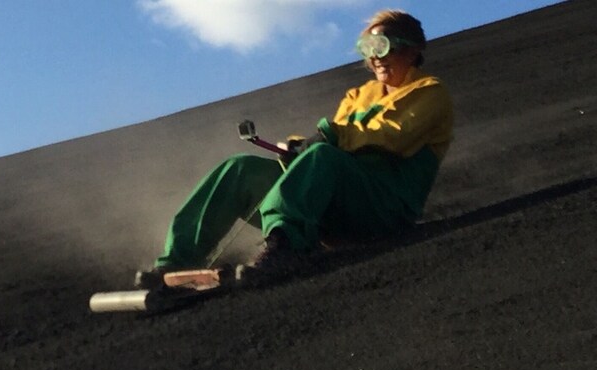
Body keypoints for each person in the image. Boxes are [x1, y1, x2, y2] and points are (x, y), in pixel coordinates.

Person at [146, 9, 454, 283]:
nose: (375, 57)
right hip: (338, 209)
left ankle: (284, 248)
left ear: (413, 50)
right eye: (368, 49)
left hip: (385, 212)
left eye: (383, 46)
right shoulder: (357, 96)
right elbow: (336, 143)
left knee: (323, 155)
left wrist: (323, 140)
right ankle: (176, 260)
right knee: (241, 168)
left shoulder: (430, 93)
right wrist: (297, 149)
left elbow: (389, 135)